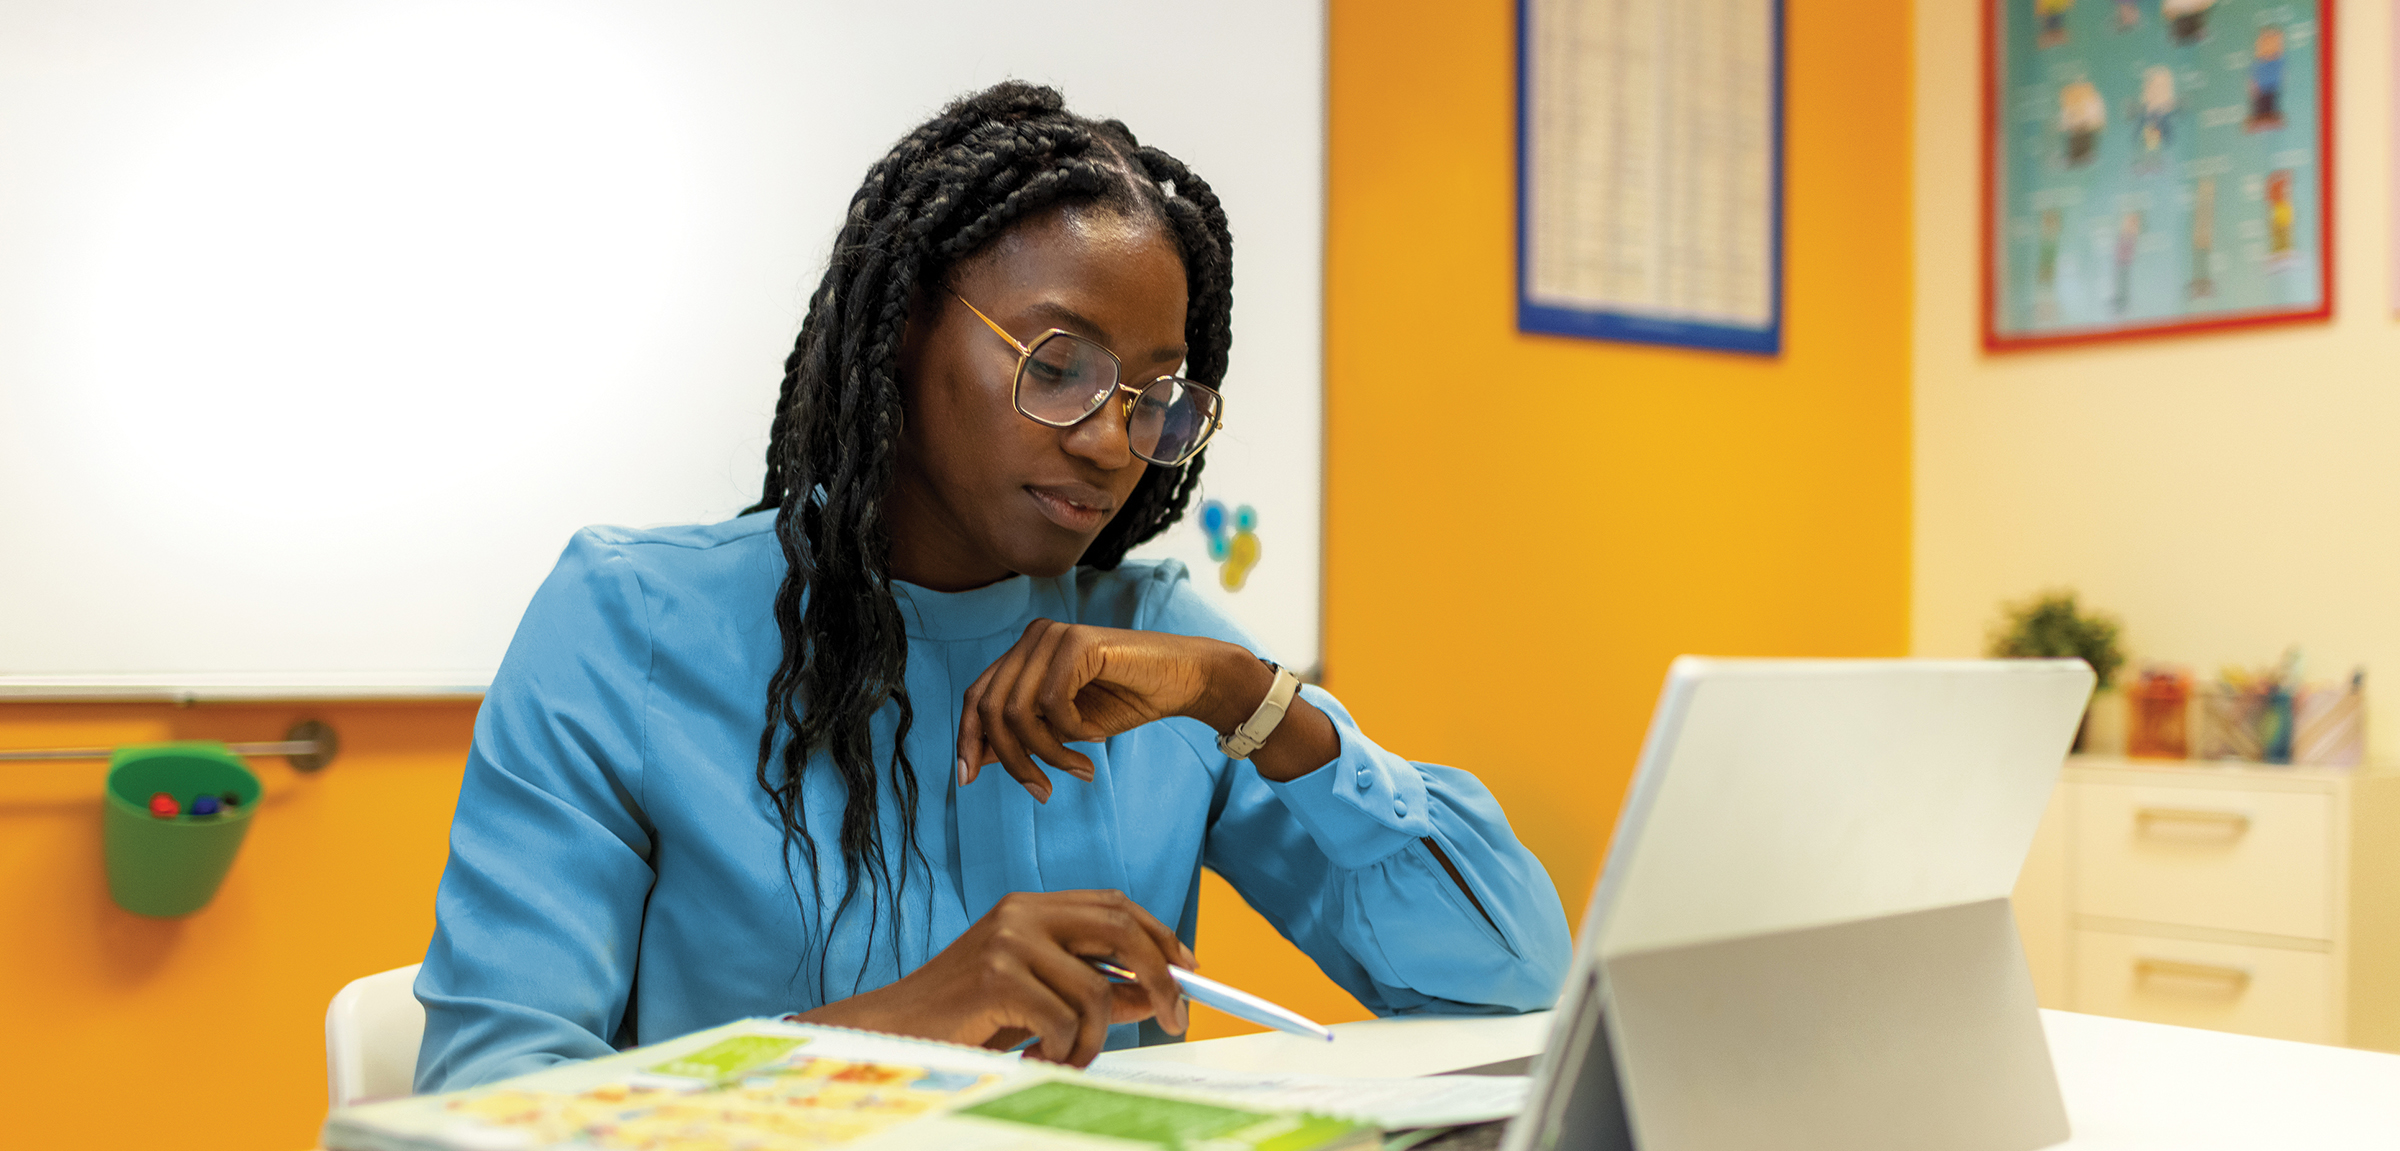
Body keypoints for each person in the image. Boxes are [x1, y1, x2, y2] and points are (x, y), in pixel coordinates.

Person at [412, 81, 1571, 1092]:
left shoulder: (1153, 651)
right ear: (906, 331)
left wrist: (1252, 698)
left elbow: (1514, 988)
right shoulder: (630, 627)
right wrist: (889, 1034)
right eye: (1057, 366)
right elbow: (480, 1108)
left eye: (1156, 393)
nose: (1115, 443)